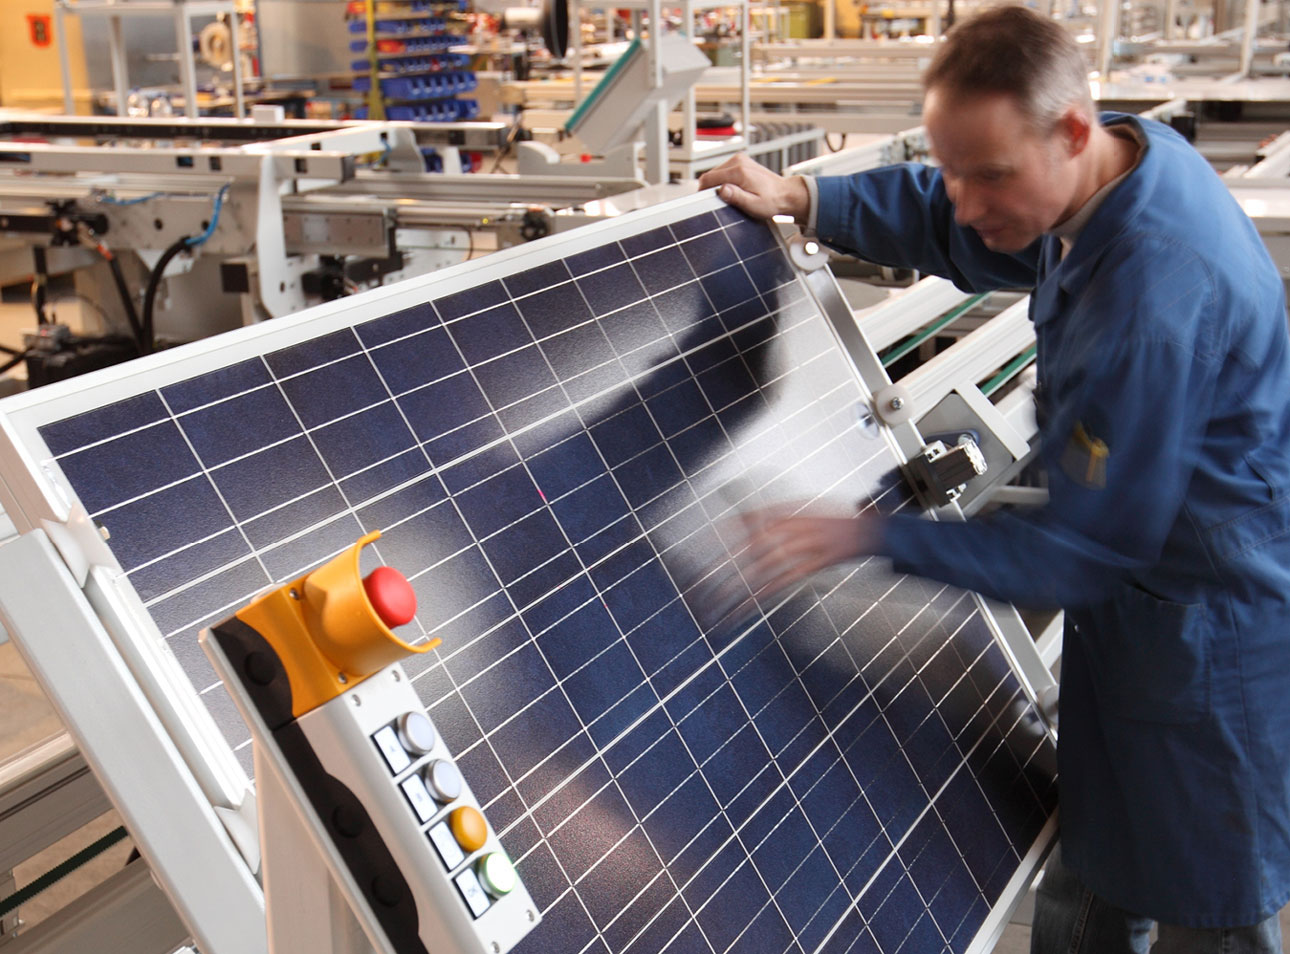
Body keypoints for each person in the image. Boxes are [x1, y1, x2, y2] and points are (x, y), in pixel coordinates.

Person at [697, 5, 1290, 954]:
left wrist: (866, 535)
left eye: (992, 175)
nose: (968, 202)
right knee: (1095, 873)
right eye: (954, 169)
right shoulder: (1118, 171)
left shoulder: (1150, 297)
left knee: (1206, 908)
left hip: (1203, 646)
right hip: (1138, 624)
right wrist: (810, 198)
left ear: (1071, 132)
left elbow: (1079, 548)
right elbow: (959, 217)